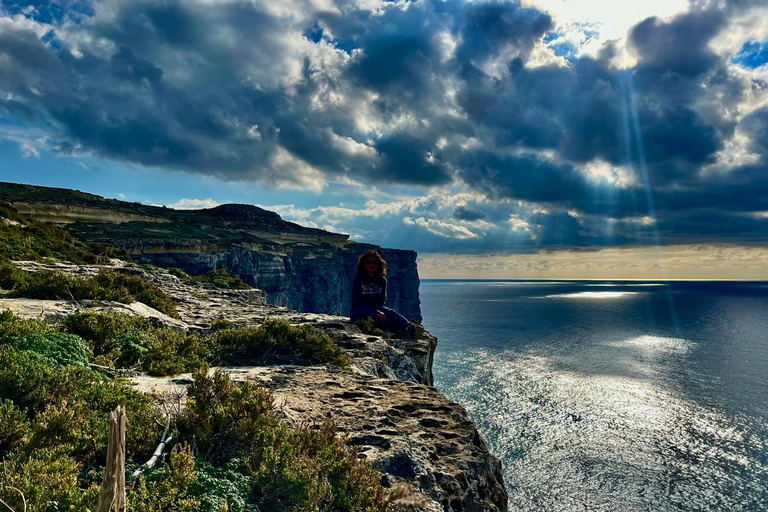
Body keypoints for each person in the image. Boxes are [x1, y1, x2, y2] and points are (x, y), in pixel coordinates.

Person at [350, 250, 424, 338]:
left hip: (377, 308)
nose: (371, 265)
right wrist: (377, 312)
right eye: (368, 262)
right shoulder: (358, 279)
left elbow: (382, 300)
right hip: (360, 310)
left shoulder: (382, 280)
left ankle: (410, 327)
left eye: (375, 262)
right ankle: (396, 328)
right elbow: (359, 301)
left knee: (391, 313)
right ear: (363, 264)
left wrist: (379, 310)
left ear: (379, 265)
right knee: (377, 317)